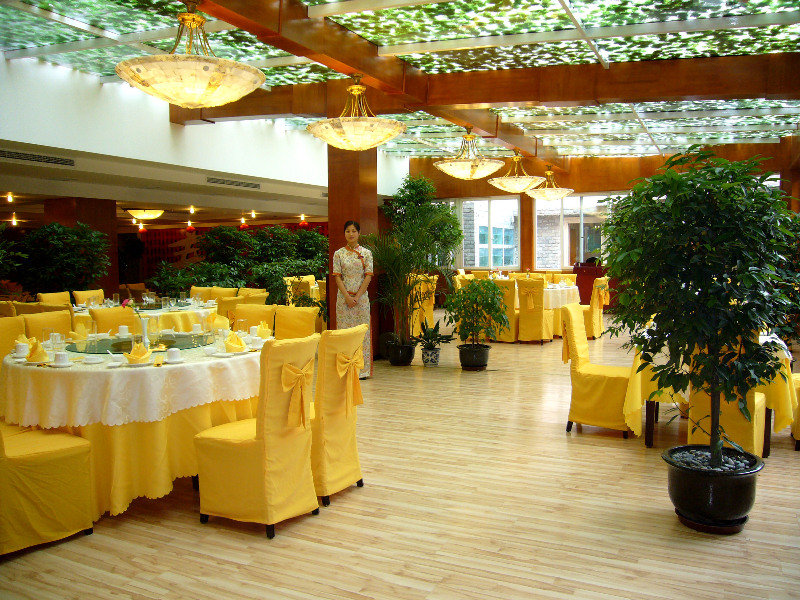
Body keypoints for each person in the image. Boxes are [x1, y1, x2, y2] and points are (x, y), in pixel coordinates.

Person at [332, 220, 373, 378]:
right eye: (348, 231)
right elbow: (337, 277)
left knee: (362, 333)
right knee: (344, 333)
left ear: (359, 233)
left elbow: (368, 276)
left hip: (361, 300)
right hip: (343, 300)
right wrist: (348, 297)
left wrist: (357, 296)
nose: (351, 234)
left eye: (354, 231)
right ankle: (345, 369)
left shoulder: (367, 253)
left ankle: (362, 370)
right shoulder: (338, 254)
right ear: (344, 234)